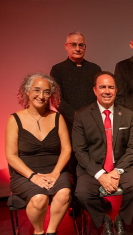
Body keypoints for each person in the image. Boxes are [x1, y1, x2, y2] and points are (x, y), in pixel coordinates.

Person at [5, 73, 72, 235]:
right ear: (27, 92)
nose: (41, 96)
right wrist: (33, 176)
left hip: (55, 171)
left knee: (64, 193)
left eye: (46, 92)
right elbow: (11, 156)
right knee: (39, 198)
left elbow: (66, 150)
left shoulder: (57, 118)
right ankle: (38, 233)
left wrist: (56, 173)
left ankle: (51, 231)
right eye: (36, 90)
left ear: (51, 95)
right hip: (25, 174)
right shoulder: (14, 119)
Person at [73, 71, 133, 235]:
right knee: (82, 193)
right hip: (92, 168)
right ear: (95, 90)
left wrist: (118, 171)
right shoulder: (81, 115)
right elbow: (79, 150)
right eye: (102, 87)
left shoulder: (128, 115)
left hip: (121, 166)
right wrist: (100, 175)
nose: (107, 91)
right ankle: (103, 220)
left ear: (116, 90)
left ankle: (121, 219)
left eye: (111, 87)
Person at [50, 31, 102, 187]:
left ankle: (97, 195)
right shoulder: (58, 70)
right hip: (69, 124)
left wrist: (90, 119)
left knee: (96, 158)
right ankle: (74, 199)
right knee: (72, 161)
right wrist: (79, 119)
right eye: (73, 44)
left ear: (85, 47)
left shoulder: (94, 68)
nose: (77, 48)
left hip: (93, 123)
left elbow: (99, 95)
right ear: (66, 46)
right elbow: (57, 100)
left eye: (81, 45)